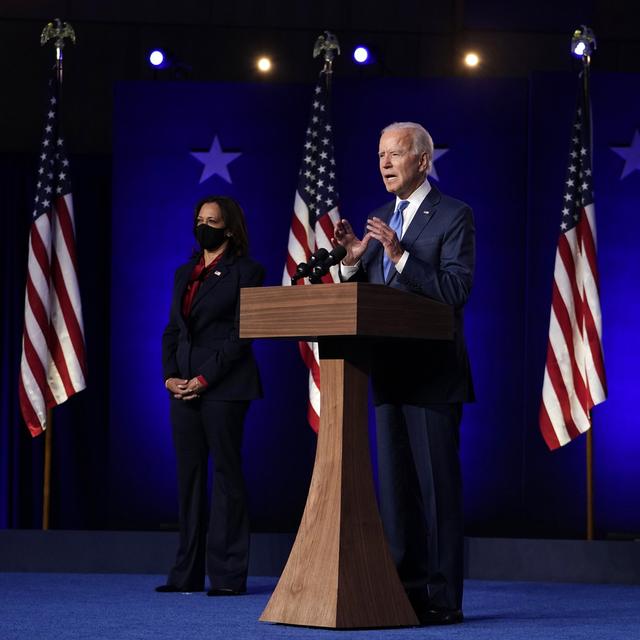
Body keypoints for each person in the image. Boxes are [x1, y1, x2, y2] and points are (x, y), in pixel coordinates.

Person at [333, 122, 475, 625]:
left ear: (422, 160)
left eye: (394, 154)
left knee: (437, 491)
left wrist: (400, 254)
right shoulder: (376, 218)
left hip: (433, 376)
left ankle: (443, 599)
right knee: (396, 491)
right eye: (379, 155)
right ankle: (406, 592)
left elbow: (455, 291)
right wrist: (353, 264)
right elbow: (370, 294)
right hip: (388, 372)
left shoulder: (454, 215)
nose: (384, 164)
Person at [157, 195, 264, 596]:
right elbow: (173, 329)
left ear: (230, 229)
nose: (205, 226)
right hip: (181, 387)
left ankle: (227, 575)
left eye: (213, 220)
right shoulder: (185, 273)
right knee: (189, 478)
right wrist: (170, 376)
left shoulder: (248, 272)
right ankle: (185, 573)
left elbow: (242, 335)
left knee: (226, 477)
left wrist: (204, 378)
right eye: (200, 219)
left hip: (224, 387)